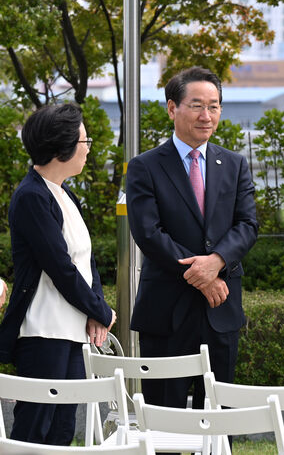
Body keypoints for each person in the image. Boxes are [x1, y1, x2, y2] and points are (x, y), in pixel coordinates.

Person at [126, 66, 258, 412]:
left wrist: (216, 262)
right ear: (172, 108)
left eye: (214, 106)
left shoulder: (234, 164)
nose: (206, 116)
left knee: (219, 417)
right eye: (197, 105)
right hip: (166, 311)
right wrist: (201, 276)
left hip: (220, 309)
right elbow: (148, 233)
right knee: (164, 418)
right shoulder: (145, 166)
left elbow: (247, 224)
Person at [0, 103, 115, 444]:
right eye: (84, 141)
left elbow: (85, 263)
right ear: (61, 147)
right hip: (43, 330)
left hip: (72, 330)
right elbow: (60, 268)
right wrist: (101, 311)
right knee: (35, 429)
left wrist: (95, 311)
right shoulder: (31, 197)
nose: (88, 148)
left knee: (63, 429)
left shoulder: (65, 194)